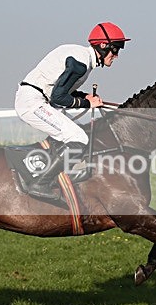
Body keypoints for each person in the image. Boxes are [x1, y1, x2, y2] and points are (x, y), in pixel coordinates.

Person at [15, 22, 129, 200]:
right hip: (33, 102)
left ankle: (55, 174)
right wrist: (87, 103)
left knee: (78, 133)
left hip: (39, 99)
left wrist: (85, 97)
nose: (116, 56)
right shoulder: (81, 63)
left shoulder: (82, 58)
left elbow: (61, 89)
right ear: (103, 46)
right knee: (78, 138)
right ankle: (41, 183)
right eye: (116, 49)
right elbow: (58, 97)